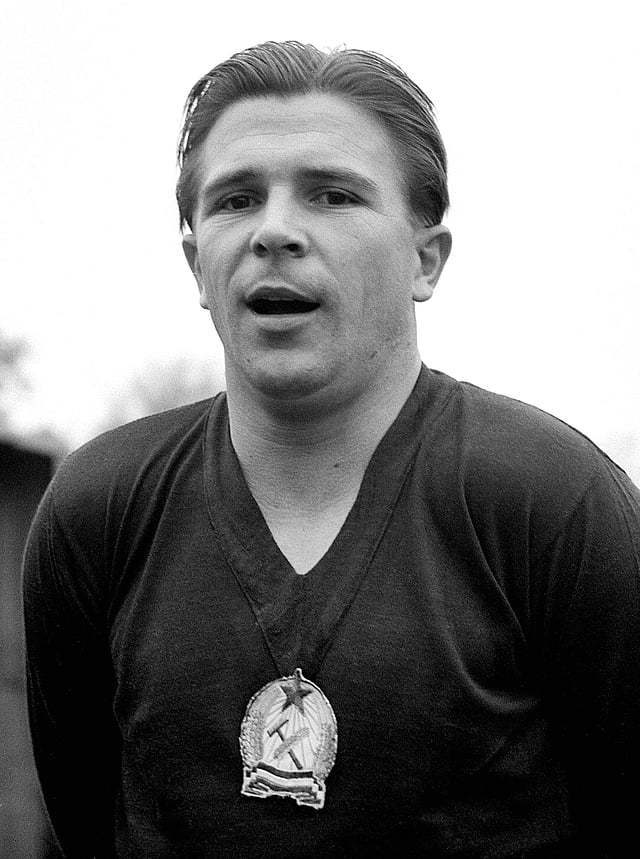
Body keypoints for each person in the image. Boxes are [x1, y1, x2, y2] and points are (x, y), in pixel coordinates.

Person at [23, 41, 639, 858]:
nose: (275, 230)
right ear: (197, 265)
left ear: (426, 259)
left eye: (334, 194)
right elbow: (81, 821)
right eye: (237, 199)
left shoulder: (557, 503)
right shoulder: (96, 510)